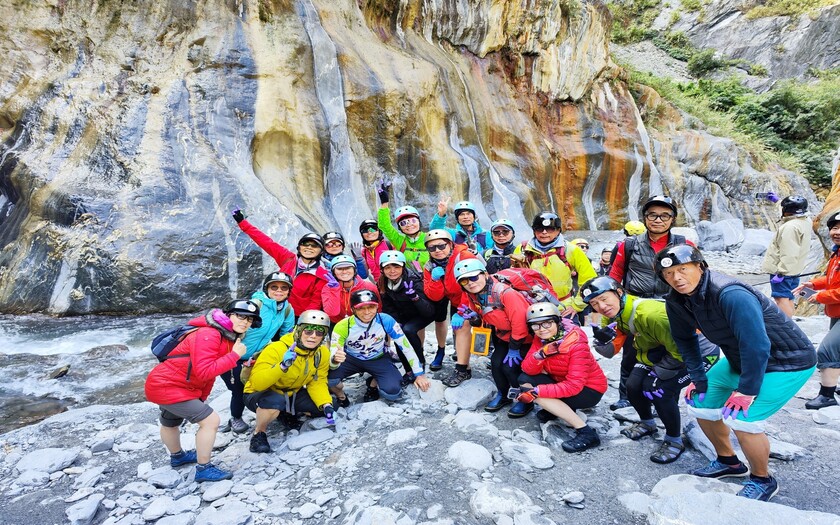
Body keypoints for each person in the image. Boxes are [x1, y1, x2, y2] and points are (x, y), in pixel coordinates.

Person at [657, 245, 816, 502]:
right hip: (738, 357)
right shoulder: (676, 300)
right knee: (700, 402)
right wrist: (698, 379)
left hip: (787, 361)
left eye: (683, 269)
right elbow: (684, 341)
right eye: (669, 274)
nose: (676, 278)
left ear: (700, 266)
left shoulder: (730, 293)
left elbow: (758, 344)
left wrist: (747, 391)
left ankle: (763, 479)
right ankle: (729, 462)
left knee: (743, 417)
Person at [581, 276, 693, 464]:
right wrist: (600, 340)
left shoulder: (650, 314)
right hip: (659, 350)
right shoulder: (613, 315)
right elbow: (609, 352)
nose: (601, 306)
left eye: (604, 298)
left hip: (693, 354)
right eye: (594, 303)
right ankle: (648, 423)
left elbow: (685, 349)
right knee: (632, 386)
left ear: (619, 292)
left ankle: (674, 439)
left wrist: (658, 374)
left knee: (658, 391)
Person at [144, 299, 259, 482]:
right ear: (228, 315)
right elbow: (205, 371)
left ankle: (178, 457)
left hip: (170, 384)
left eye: (250, 320)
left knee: (170, 421)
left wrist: (201, 398)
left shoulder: (225, 336)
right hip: (168, 385)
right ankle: (204, 469)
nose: (245, 322)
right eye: (240, 316)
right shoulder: (209, 334)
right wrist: (235, 356)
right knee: (211, 421)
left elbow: (207, 375)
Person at [607, 196, 691, 411]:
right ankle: (626, 397)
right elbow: (615, 276)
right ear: (645, 218)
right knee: (631, 354)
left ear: (672, 219)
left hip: (670, 307)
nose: (658, 220)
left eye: (665, 215)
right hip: (636, 306)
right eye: (652, 214)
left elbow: (696, 278)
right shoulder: (629, 245)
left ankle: (666, 396)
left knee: (671, 353)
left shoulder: (684, 245)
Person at [516, 302, 606, 452]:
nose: (542, 329)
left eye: (547, 323)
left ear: (557, 321)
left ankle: (586, 432)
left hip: (589, 390)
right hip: (562, 381)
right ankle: (558, 409)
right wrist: (541, 355)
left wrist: (538, 392)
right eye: (536, 325)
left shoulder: (576, 344)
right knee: (524, 379)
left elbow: (574, 386)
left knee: (532, 392)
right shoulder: (542, 338)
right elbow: (527, 369)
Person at [375, 182, 448, 362]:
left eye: (412, 221)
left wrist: (441, 214)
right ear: (400, 227)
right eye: (404, 223)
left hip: (435, 285)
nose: (409, 225)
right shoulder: (401, 241)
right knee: (418, 321)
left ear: (418, 221)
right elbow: (384, 226)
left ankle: (440, 350)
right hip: (413, 287)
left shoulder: (426, 238)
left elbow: (436, 230)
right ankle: (419, 349)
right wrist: (384, 203)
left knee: (440, 318)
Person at [243, 310, 334, 453]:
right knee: (274, 401)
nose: (313, 336)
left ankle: (285, 414)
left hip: (292, 393)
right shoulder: (276, 348)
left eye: (319, 332)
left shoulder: (321, 353)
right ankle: (259, 433)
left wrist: (325, 403)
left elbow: (317, 381)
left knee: (327, 407)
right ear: (298, 330)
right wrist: (282, 367)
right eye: (308, 331)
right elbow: (257, 383)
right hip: (260, 393)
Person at [453, 259, 533, 417]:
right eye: (464, 280)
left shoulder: (506, 293)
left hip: (524, 338)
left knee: (510, 368)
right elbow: (484, 319)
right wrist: (474, 318)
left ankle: (525, 400)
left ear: (485, 274)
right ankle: (503, 395)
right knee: (496, 364)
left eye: (474, 277)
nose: (470, 283)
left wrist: (514, 348)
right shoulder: (474, 295)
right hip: (503, 335)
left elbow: (520, 323)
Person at [221, 272, 295, 434]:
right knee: (239, 387)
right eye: (274, 287)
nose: (279, 291)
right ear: (266, 288)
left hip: (257, 355)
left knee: (270, 381)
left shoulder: (287, 309)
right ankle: (236, 418)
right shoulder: (256, 305)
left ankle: (276, 411)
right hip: (232, 354)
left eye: (284, 288)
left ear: (289, 291)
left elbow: (286, 336)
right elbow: (231, 325)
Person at [328, 290, 431, 403]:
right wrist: (334, 359)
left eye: (371, 307)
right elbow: (334, 353)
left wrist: (419, 374)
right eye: (361, 308)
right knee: (329, 379)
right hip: (351, 359)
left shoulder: (386, 320)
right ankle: (341, 397)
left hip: (378, 358)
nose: (367, 312)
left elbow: (405, 346)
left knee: (393, 392)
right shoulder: (342, 326)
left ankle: (373, 383)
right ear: (353, 309)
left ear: (377, 307)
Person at [232, 208, 330, 314]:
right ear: (299, 247)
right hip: (271, 309)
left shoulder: (321, 274)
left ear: (321, 251)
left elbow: (315, 303)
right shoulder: (288, 259)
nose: (309, 247)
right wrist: (243, 224)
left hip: (294, 317)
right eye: (306, 244)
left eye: (315, 245)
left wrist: (302, 323)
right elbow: (266, 243)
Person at [794, 210, 840, 409]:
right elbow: (832, 280)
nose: (836, 232)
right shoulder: (837, 253)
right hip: (836, 311)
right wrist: (813, 284)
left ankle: (827, 396)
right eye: (834, 228)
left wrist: (820, 296)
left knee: (827, 350)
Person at [511, 212, 595, 317]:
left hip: (562, 307)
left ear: (558, 230)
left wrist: (576, 306)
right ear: (534, 231)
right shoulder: (522, 249)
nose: (544, 232)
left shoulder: (572, 250)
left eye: (550, 229)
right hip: (530, 306)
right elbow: (512, 278)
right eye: (539, 229)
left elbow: (589, 279)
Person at [423, 229, 479, 385]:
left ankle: (462, 369)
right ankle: (464, 366)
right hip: (455, 299)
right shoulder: (429, 266)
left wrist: (461, 310)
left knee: (462, 326)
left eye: (441, 246)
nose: (437, 251)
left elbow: (472, 286)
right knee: (459, 329)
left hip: (474, 297)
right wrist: (435, 280)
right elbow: (435, 296)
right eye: (432, 248)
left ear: (450, 244)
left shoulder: (464, 257)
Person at [378, 250, 435, 382]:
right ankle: (408, 369)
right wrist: (396, 321)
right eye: (388, 267)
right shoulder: (383, 283)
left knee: (408, 330)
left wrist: (415, 297)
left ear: (403, 267)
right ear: (382, 269)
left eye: (396, 267)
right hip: (404, 314)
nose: (392, 271)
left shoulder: (413, 281)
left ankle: (420, 363)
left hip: (423, 313)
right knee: (398, 333)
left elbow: (429, 311)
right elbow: (388, 307)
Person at [761, 195, 812, 318]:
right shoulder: (805, 220)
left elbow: (789, 252)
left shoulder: (790, 227)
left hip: (784, 271)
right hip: (795, 269)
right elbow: (791, 211)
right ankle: (790, 325)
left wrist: (781, 273)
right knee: (789, 296)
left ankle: (786, 328)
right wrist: (777, 201)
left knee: (781, 298)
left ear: (787, 210)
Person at [321, 254, 380, 325]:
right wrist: (334, 290)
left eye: (348, 268)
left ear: (354, 270)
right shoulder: (328, 288)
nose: (344, 272)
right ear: (334, 272)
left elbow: (378, 309)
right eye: (339, 269)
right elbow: (332, 313)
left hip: (366, 322)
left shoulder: (369, 286)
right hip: (339, 324)